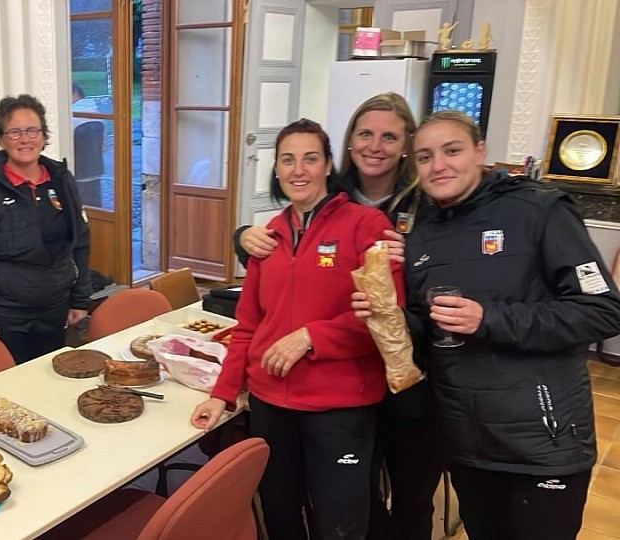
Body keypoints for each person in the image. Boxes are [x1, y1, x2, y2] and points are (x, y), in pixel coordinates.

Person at [353, 111, 620, 540]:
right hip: (467, 445)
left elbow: (603, 310)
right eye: (425, 156)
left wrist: (489, 318)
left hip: (542, 444)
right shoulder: (421, 235)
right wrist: (387, 316)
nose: (439, 165)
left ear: (480, 152)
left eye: (452, 150)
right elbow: (427, 329)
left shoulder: (539, 210)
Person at [235, 93, 440, 540]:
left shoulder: (418, 207)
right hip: (294, 394)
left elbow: (383, 316)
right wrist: (243, 234)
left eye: (389, 137)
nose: (375, 146)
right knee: (311, 506)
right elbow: (251, 318)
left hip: (402, 379)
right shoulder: (283, 225)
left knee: (396, 498)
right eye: (365, 134)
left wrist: (311, 336)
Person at [191, 119, 403, 540]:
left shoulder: (366, 225)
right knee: (280, 514)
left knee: (338, 524)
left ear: (328, 165)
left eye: (310, 158)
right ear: (276, 169)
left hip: (339, 408)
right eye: (287, 160)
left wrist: (310, 336)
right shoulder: (267, 237)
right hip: (271, 404)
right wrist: (222, 394)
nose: (298, 170)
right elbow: (248, 327)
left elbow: (384, 317)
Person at [0, 94, 91, 363]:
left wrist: (80, 298)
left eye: (32, 130)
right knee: (11, 382)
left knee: (49, 375)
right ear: (1, 139)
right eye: (15, 132)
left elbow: (80, 241)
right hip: (7, 315)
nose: (25, 139)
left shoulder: (60, 178)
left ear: (43, 135)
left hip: (55, 307)